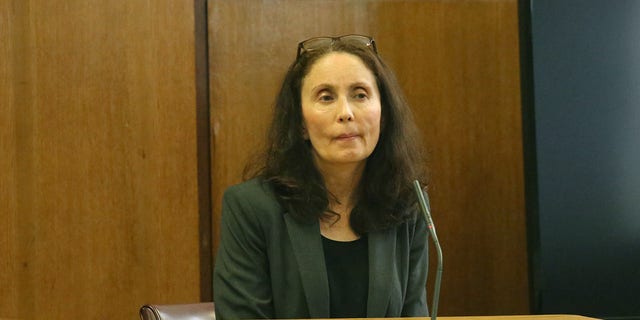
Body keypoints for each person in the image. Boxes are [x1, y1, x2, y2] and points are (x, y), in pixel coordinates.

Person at [213, 34, 430, 319]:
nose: (346, 113)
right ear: (300, 123)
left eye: (360, 95)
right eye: (326, 97)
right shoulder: (252, 208)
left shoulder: (408, 204)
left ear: (384, 115)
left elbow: (415, 313)